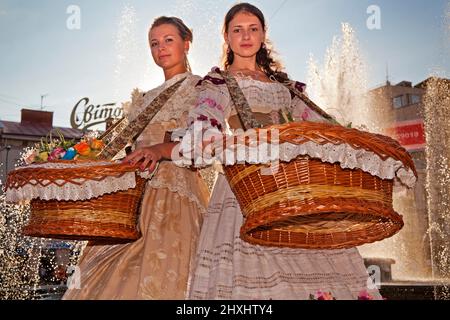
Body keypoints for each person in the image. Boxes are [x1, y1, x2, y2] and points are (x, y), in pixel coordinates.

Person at [176, 3, 382, 300]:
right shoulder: (219, 83)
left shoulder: (285, 86)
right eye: (238, 30)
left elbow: (318, 127)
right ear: (226, 36)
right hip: (246, 188)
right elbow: (205, 121)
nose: (246, 36)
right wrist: (211, 140)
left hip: (292, 186)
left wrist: (348, 139)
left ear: (263, 34)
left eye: (253, 29)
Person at [63, 16, 210, 300]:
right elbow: (128, 149)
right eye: (154, 43)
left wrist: (159, 150)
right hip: (132, 197)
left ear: (187, 44)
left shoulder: (202, 88)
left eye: (169, 40)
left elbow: (205, 147)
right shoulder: (142, 98)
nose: (161, 48)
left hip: (175, 193)